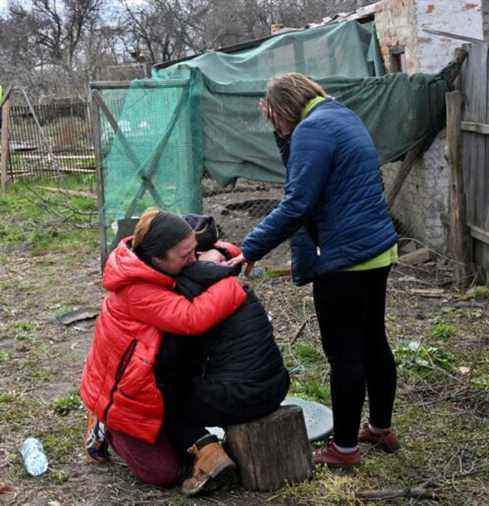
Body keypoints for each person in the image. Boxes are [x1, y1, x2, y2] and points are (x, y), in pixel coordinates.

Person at [227, 73, 401, 466]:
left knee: (344, 355)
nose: (275, 127)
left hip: (345, 259)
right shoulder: (339, 116)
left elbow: (296, 201)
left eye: (274, 119)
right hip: (377, 250)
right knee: (374, 340)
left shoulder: (312, 130)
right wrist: (283, 133)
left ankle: (343, 449)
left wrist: (251, 247)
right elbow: (301, 174)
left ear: (284, 109)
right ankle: (379, 428)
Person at [80, 209, 247, 494]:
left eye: (194, 250)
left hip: (157, 378)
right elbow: (190, 318)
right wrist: (231, 282)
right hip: (126, 395)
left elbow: (215, 248)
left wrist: (222, 254)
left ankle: (180, 429)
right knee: (163, 473)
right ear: (158, 259)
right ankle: (105, 424)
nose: (193, 258)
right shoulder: (135, 289)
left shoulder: (164, 253)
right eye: (185, 256)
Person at [154, 214, 290, 495]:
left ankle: (205, 450)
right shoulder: (221, 273)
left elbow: (175, 359)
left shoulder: (184, 289)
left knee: (160, 395)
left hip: (242, 396)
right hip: (276, 385)